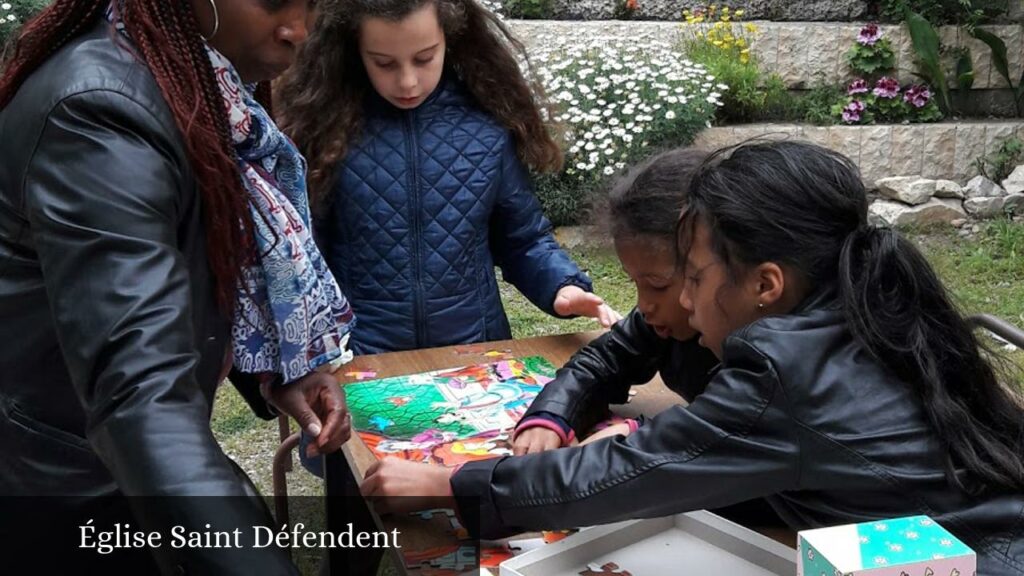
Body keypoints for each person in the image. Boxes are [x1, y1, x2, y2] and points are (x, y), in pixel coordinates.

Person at [361, 141, 1024, 576]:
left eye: (696, 278)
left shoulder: (782, 369)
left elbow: (630, 472)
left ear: (765, 285)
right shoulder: (865, 297)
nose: (682, 299)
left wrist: (451, 484)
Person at [0, 1, 352, 573]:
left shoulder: (191, 79)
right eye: (273, 2)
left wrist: (271, 369)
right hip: (73, 487)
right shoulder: (99, 112)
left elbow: (180, 265)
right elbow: (139, 386)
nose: (300, 31)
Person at [275, 0, 620, 358]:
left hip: (476, 357)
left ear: (450, 38)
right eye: (384, 63)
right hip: (363, 357)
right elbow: (305, 254)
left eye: (424, 58)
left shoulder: (486, 124)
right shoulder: (324, 131)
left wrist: (562, 286)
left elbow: (522, 238)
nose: (407, 81)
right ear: (353, 49)